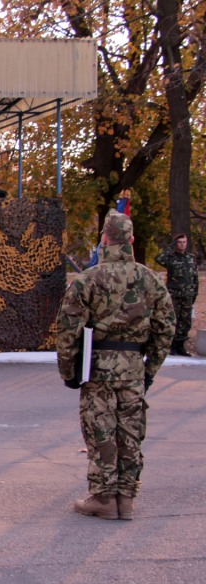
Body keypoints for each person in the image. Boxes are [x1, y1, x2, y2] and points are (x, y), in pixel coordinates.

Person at [56, 209, 175, 520]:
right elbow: (165, 329)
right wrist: (149, 370)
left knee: (101, 430)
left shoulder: (88, 280)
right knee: (131, 431)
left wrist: (69, 372)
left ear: (104, 239)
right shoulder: (151, 280)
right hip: (134, 366)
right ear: (132, 239)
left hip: (97, 367)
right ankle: (126, 497)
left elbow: (68, 330)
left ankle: (104, 496)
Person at [154, 233, 198, 356]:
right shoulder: (170, 257)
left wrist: (195, 293)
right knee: (173, 320)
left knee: (186, 322)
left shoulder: (191, 257)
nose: (182, 244)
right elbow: (158, 258)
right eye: (179, 242)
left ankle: (180, 346)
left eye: (184, 242)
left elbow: (195, 278)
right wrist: (171, 246)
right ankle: (171, 346)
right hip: (174, 294)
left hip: (187, 295)